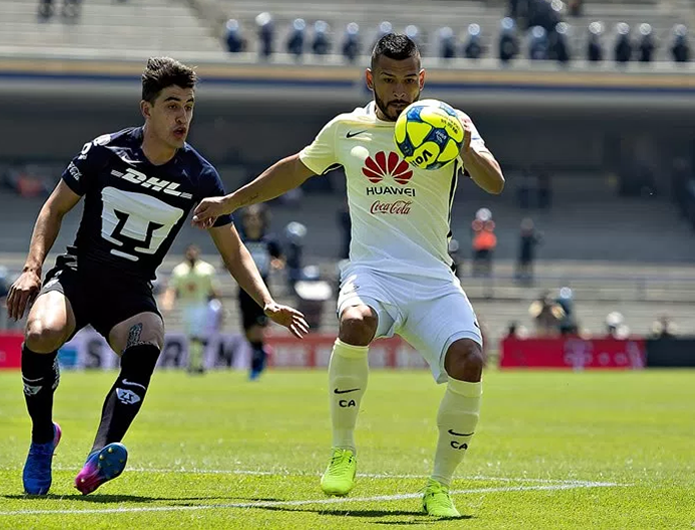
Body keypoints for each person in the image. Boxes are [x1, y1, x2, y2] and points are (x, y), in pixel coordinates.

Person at [192, 34, 504, 517]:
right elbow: (295, 169)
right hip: (372, 272)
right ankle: (343, 450)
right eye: (388, 80)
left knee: (470, 361)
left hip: (433, 279)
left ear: (421, 80)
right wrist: (231, 201)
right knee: (355, 322)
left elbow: (494, 182)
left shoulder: (450, 123)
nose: (399, 90)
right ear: (370, 80)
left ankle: (438, 488)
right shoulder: (345, 128)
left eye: (408, 80)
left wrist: (464, 145)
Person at [6, 57, 308, 497]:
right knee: (41, 333)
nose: (182, 116)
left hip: (130, 292)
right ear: (147, 109)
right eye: (171, 105)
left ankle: (98, 456)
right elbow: (54, 208)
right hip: (79, 276)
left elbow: (234, 250)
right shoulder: (104, 152)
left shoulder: (199, 176)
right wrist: (32, 270)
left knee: (148, 341)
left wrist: (267, 302)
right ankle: (41, 439)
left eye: (188, 106)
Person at [238, 204, 284, 380]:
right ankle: (260, 352)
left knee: (258, 329)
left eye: (256, 218)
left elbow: (280, 258)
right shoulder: (240, 240)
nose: (252, 221)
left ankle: (257, 365)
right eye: (249, 218)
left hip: (263, 289)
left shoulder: (269, 241)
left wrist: (277, 264)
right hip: (243, 290)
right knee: (248, 330)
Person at [161, 244, 218, 374]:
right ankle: (195, 363)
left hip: (201, 305)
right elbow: (172, 288)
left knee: (198, 335)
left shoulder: (206, 269)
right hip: (186, 305)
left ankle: (196, 363)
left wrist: (219, 304)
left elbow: (213, 289)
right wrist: (168, 302)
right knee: (192, 335)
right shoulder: (179, 270)